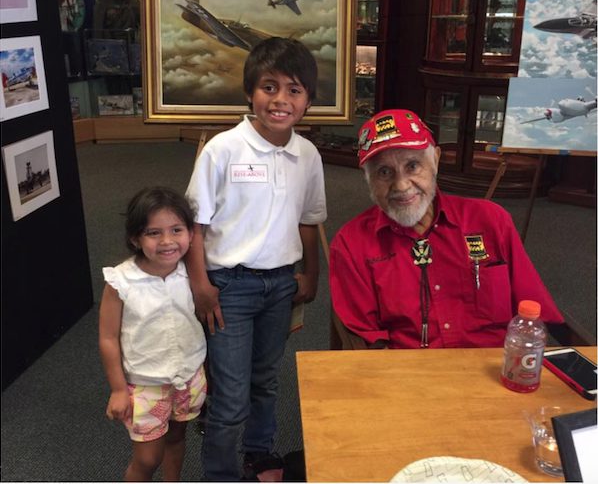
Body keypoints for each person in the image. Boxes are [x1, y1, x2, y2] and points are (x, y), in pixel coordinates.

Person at [185, 37, 327, 481]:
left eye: (294, 90)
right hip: (229, 287)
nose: (281, 100)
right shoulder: (223, 150)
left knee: (265, 379)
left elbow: (309, 220)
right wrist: (201, 285)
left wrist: (310, 274)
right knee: (229, 394)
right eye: (270, 87)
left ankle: (259, 454)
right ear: (250, 92)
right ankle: (222, 474)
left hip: (281, 285)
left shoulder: (307, 155)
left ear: (307, 100)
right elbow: (196, 226)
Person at [330, 109, 564, 350]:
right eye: (384, 172)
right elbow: (368, 342)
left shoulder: (492, 221)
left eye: (412, 166)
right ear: (368, 179)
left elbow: (535, 314)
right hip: (408, 377)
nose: (401, 185)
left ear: (436, 161)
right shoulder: (351, 243)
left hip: (496, 372)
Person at [98, 187, 207, 481]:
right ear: (135, 238)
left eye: (176, 230)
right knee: (147, 458)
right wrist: (119, 389)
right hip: (145, 386)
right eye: (154, 232)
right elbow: (108, 337)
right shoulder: (121, 281)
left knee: (177, 436)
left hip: (188, 376)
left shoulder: (190, 271)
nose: (168, 241)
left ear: (190, 233)